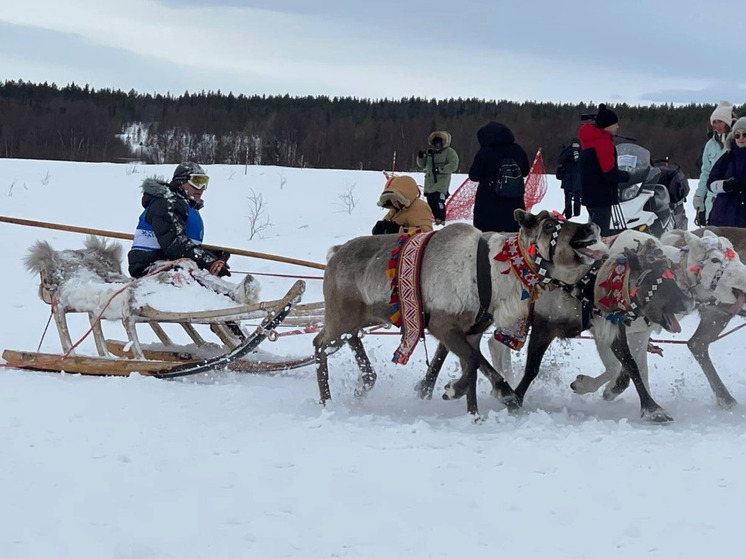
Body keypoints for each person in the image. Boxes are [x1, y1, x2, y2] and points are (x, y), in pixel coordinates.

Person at [127, 162, 259, 303]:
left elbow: (181, 244)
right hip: (149, 266)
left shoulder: (181, 205)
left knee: (191, 267)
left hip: (168, 260)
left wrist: (211, 255)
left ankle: (231, 300)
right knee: (188, 269)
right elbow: (175, 245)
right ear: (181, 182)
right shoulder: (166, 204)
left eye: (204, 182)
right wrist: (207, 260)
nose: (201, 188)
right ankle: (232, 295)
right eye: (197, 181)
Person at [578, 104, 630, 236]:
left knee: (593, 232)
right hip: (601, 196)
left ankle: (592, 253)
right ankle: (598, 256)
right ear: (607, 125)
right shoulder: (603, 143)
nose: (617, 127)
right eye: (615, 124)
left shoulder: (589, 140)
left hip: (589, 194)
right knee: (600, 235)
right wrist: (627, 176)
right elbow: (609, 172)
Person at [468, 121, 530, 232]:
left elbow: (474, 175)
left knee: (486, 239)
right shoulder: (517, 150)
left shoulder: (484, 152)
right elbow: (525, 171)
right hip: (514, 201)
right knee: (513, 237)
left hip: (488, 202)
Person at [693, 101, 737, 226]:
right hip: (713, 199)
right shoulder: (710, 145)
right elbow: (705, 172)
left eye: (720, 121)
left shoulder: (738, 141)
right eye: (714, 122)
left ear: (728, 122)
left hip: (735, 198)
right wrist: (699, 196)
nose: (717, 125)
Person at [707, 117, 746, 227]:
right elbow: (710, 183)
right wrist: (725, 185)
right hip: (723, 219)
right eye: (737, 135)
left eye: (745, 134)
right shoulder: (727, 158)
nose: (741, 138)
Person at [415, 131, 459, 225]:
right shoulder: (430, 153)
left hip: (442, 182)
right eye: (435, 143)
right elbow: (422, 165)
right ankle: (435, 220)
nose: (437, 146)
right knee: (431, 202)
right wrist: (421, 156)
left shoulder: (450, 152)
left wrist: (441, 169)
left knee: (439, 201)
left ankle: (441, 220)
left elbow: (453, 165)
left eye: (439, 143)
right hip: (430, 182)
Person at [556, 138, 582, 218]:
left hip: (578, 179)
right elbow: (560, 160)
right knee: (567, 198)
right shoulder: (567, 151)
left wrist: (578, 155)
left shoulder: (582, 152)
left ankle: (577, 214)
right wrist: (570, 152)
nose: (575, 147)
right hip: (567, 178)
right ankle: (568, 214)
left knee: (577, 198)